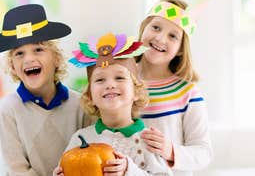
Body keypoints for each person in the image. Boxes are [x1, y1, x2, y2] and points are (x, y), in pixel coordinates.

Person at [0, 4, 92, 175]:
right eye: (19, 53)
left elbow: (90, 154)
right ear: (12, 66)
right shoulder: (9, 109)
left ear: (56, 58)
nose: (28, 59)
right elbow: (17, 168)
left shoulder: (80, 105)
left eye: (38, 49)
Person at [54, 33, 173, 176]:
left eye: (119, 77)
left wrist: (129, 171)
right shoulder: (80, 138)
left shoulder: (148, 140)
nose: (110, 84)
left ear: (136, 91)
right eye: (100, 80)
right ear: (90, 96)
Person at [136, 0, 213, 176]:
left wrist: (171, 150)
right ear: (143, 29)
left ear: (180, 48)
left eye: (173, 36)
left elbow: (203, 152)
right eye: (156, 27)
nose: (160, 38)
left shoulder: (187, 93)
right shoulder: (120, 80)